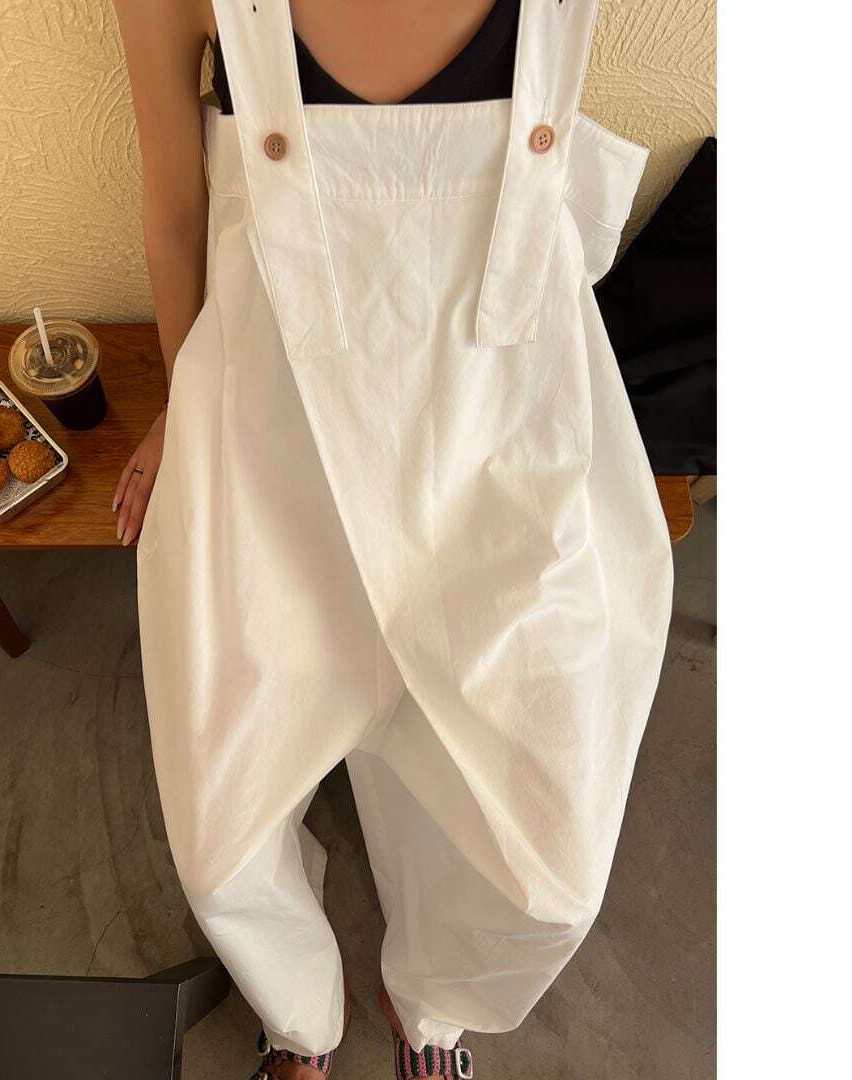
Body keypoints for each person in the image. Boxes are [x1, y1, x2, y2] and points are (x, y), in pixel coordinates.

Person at [111, 2, 673, 1077]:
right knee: (220, 834)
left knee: (552, 864)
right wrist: (183, 406)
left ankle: (433, 1004)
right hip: (273, 428)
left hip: (503, 431)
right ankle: (299, 1021)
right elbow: (178, 215)